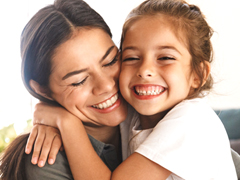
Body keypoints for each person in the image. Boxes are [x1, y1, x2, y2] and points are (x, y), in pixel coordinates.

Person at [27, 0, 238, 179]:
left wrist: (66, 122)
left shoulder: (192, 120)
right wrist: (46, 111)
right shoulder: (134, 114)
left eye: (165, 58)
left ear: (198, 75)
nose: (145, 70)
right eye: (131, 58)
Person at [0, 0, 128, 179]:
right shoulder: (46, 162)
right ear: (43, 90)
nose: (106, 85)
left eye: (111, 61)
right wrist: (67, 123)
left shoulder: (155, 110)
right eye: (79, 81)